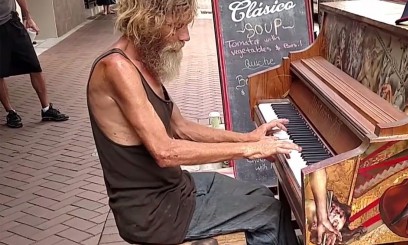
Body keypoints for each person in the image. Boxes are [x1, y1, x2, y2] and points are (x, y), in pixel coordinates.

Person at [86, 0, 301, 244]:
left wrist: (249, 138)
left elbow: (182, 127)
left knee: (260, 194)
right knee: (269, 212)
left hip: (176, 188)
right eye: (176, 26)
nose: (185, 36)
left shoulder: (143, 62)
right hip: (152, 212)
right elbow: (165, 152)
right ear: (147, 22)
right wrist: (250, 149)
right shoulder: (116, 68)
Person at [0, 0, 69, 128]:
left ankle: (46, 109)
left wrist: (28, 17)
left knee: (34, 66)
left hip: (12, 23)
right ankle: (10, 112)